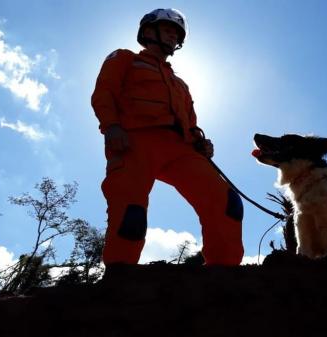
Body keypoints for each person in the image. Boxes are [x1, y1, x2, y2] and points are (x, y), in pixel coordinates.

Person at [91, 8, 244, 266]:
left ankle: (224, 272)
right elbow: (103, 93)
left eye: (177, 33)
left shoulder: (180, 83)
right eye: (169, 30)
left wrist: (200, 142)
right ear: (148, 31)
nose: (173, 36)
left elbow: (192, 122)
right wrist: (111, 126)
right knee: (131, 212)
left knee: (226, 201)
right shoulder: (124, 59)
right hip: (134, 143)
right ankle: (120, 277)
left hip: (181, 149)